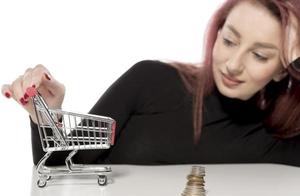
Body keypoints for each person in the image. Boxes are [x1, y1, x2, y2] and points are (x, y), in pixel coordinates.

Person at [2, 0, 300, 166]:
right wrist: (47, 118)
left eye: (260, 55)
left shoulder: (280, 140)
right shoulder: (150, 82)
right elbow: (57, 171)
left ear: (284, 68)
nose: (233, 64)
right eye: (229, 39)